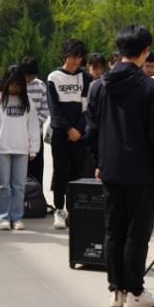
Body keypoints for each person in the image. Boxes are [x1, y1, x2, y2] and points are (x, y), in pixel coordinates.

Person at [85, 25, 154, 307]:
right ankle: (135, 291)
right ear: (145, 52)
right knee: (137, 231)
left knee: (113, 229)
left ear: (119, 51)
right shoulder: (150, 88)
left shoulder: (99, 86)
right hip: (142, 170)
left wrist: (98, 161)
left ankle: (116, 290)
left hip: (110, 167)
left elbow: (92, 129)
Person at [0, 65, 40, 231]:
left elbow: (33, 126)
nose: (14, 88)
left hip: (21, 149)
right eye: (12, 84)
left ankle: (17, 217)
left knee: (19, 185)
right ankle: (4, 217)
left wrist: (33, 148)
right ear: (6, 82)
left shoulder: (27, 101)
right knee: (3, 184)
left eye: (18, 85)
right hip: (1, 148)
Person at [47, 39, 91, 230]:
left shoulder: (85, 78)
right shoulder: (53, 77)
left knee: (77, 173)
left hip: (80, 135)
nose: (76, 61)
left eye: (79, 57)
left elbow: (86, 109)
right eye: (73, 56)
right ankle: (58, 209)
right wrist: (68, 129)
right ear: (66, 55)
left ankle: (73, 209)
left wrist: (79, 130)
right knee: (60, 171)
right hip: (60, 133)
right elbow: (54, 109)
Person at [19, 56, 50, 183]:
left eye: (32, 75)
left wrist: (33, 126)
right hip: (19, 136)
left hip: (36, 135)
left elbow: (45, 109)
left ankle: (36, 198)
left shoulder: (41, 85)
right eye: (27, 75)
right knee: (20, 170)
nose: (29, 78)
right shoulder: (17, 86)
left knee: (36, 170)